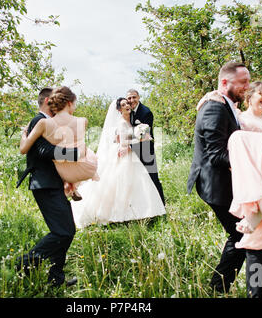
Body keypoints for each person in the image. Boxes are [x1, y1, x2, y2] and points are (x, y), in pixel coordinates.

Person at [200, 82, 262, 297]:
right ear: (249, 96)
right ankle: (225, 287)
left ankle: (245, 290)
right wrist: (208, 97)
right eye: (261, 93)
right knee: (249, 242)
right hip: (246, 188)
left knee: (259, 244)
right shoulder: (238, 118)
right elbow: (218, 103)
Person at [187, 62, 250, 295]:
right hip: (216, 185)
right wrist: (253, 165)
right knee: (242, 234)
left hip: (224, 182)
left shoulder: (226, 105)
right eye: (243, 82)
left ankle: (219, 286)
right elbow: (216, 155)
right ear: (225, 82)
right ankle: (218, 288)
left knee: (242, 234)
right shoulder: (214, 107)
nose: (247, 86)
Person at [15, 87, 79, 288]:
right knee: (63, 232)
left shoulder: (49, 123)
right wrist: (73, 153)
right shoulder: (39, 120)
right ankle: (24, 264)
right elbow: (42, 151)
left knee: (67, 231)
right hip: (44, 185)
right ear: (47, 101)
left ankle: (56, 279)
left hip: (53, 184)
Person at [71, 97, 166, 228]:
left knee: (135, 184)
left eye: (127, 103)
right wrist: (141, 139)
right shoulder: (121, 123)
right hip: (123, 156)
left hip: (130, 154)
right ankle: (119, 214)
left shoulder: (130, 120)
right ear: (119, 109)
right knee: (121, 184)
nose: (127, 105)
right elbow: (123, 143)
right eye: (123, 104)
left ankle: (136, 213)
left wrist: (140, 134)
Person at [20, 86, 99, 201]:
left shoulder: (44, 123)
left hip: (62, 172)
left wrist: (24, 134)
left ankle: (70, 185)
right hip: (81, 167)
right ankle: (71, 185)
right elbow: (77, 149)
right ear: (69, 103)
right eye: (75, 104)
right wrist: (76, 154)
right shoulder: (82, 121)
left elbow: (24, 149)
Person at [126, 89, 165, 205]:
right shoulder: (127, 112)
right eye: (129, 98)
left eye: (134, 97)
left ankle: (161, 205)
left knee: (152, 178)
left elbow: (146, 136)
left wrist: (130, 144)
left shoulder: (146, 112)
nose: (132, 100)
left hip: (146, 151)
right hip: (132, 152)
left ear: (138, 98)